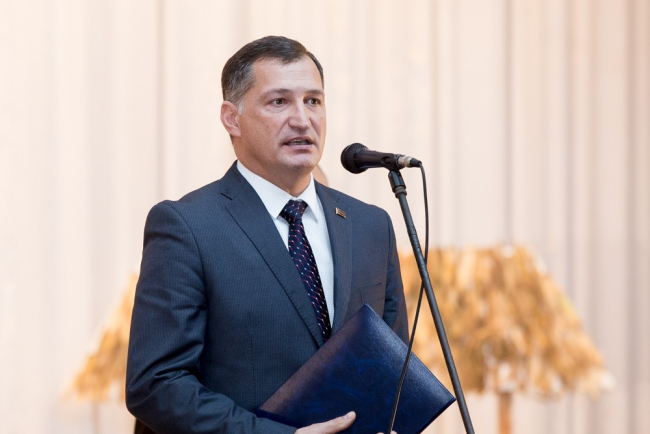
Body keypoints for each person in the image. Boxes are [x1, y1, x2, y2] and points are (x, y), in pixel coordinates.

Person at [126, 35, 408, 434]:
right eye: (279, 102)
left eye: (313, 101)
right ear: (232, 118)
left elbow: (390, 365)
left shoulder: (371, 225)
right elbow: (156, 385)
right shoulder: (187, 226)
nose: (302, 119)